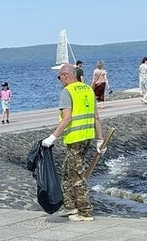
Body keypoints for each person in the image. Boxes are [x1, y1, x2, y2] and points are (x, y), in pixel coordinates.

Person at [41, 63, 104, 222]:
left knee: (76, 176)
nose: (59, 80)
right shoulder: (88, 89)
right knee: (67, 172)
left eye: (59, 77)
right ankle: (71, 206)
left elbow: (67, 118)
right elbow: (96, 117)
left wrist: (52, 137)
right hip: (86, 138)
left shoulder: (67, 92)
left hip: (75, 139)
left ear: (65, 75)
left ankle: (85, 212)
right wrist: (100, 139)